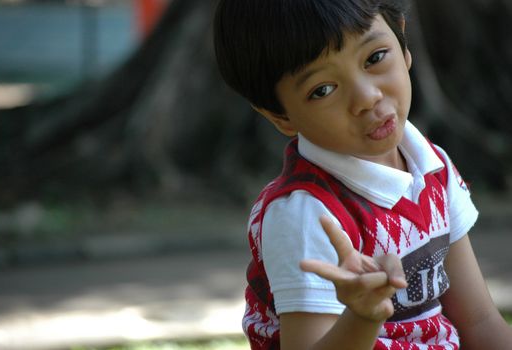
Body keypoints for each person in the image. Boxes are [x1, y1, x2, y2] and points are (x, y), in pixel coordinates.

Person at [213, 0, 512, 349]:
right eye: (322, 90)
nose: (367, 98)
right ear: (281, 117)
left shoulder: (432, 166)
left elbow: (479, 321)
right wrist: (363, 316)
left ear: (403, 40)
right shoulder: (307, 214)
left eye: (374, 58)